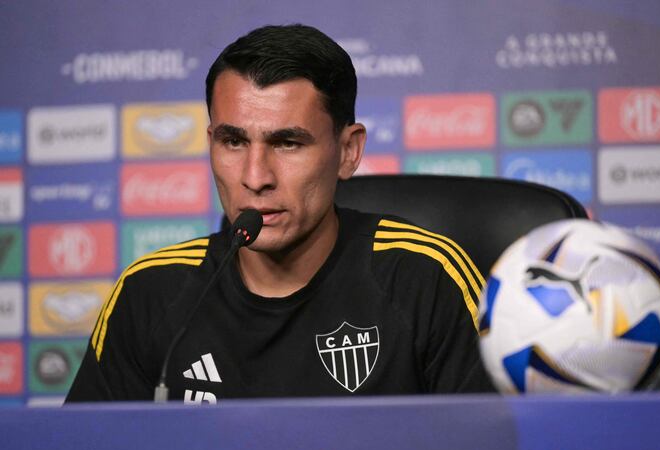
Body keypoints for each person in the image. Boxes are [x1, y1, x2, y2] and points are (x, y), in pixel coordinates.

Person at [66, 24, 494, 403]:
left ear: (349, 151)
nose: (255, 177)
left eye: (288, 143)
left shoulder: (427, 278)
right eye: (233, 142)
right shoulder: (149, 293)